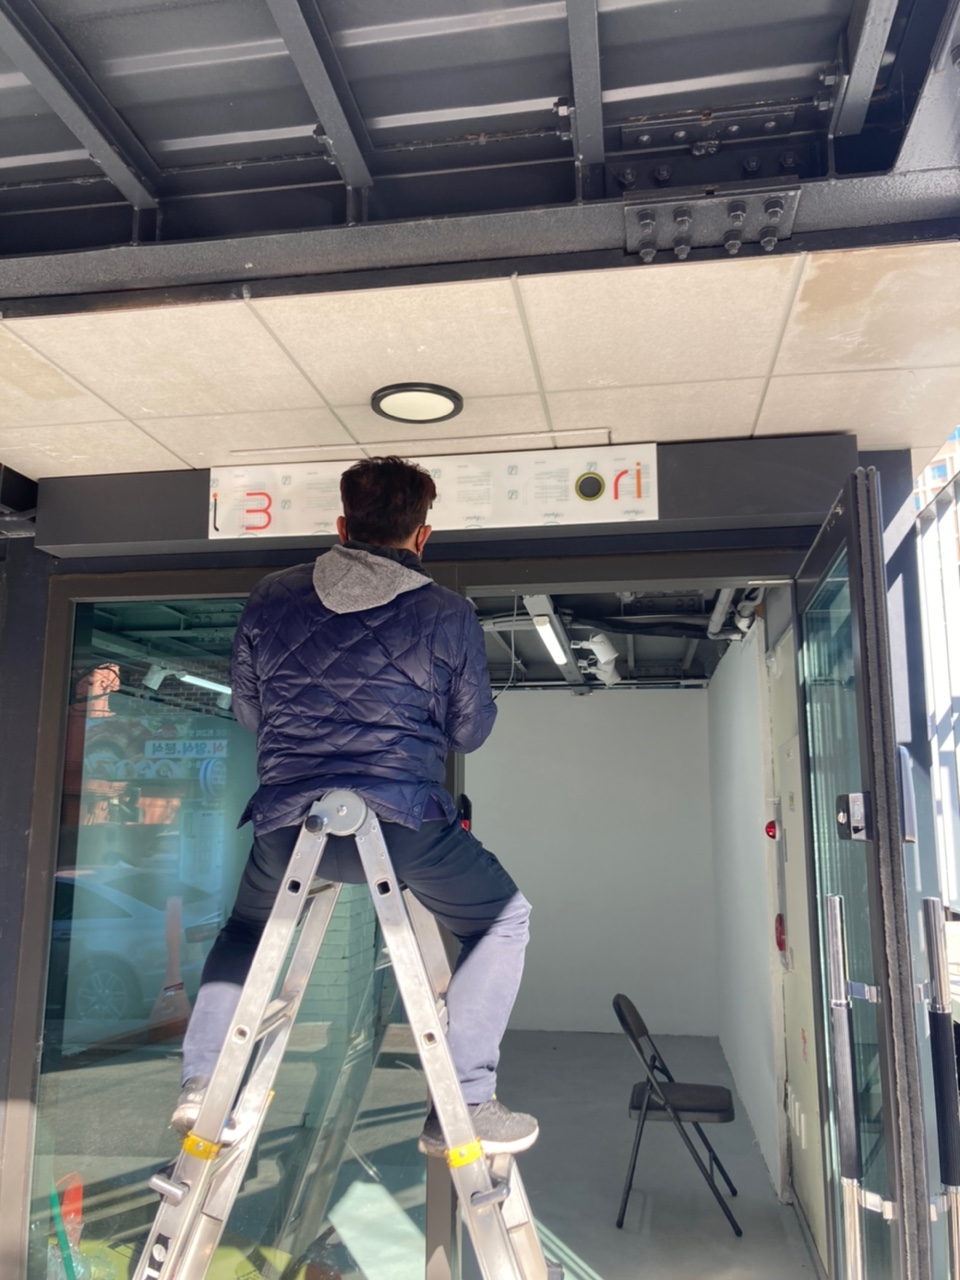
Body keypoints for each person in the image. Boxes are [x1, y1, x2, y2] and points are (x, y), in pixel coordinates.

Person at [173, 456, 537, 1156]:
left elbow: (250, 712)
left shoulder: (270, 596)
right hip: (403, 826)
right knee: (503, 920)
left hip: (289, 826)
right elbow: (470, 732)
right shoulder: (446, 611)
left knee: (246, 931)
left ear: (342, 526)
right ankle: (462, 1104)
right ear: (422, 536)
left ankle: (201, 1085)